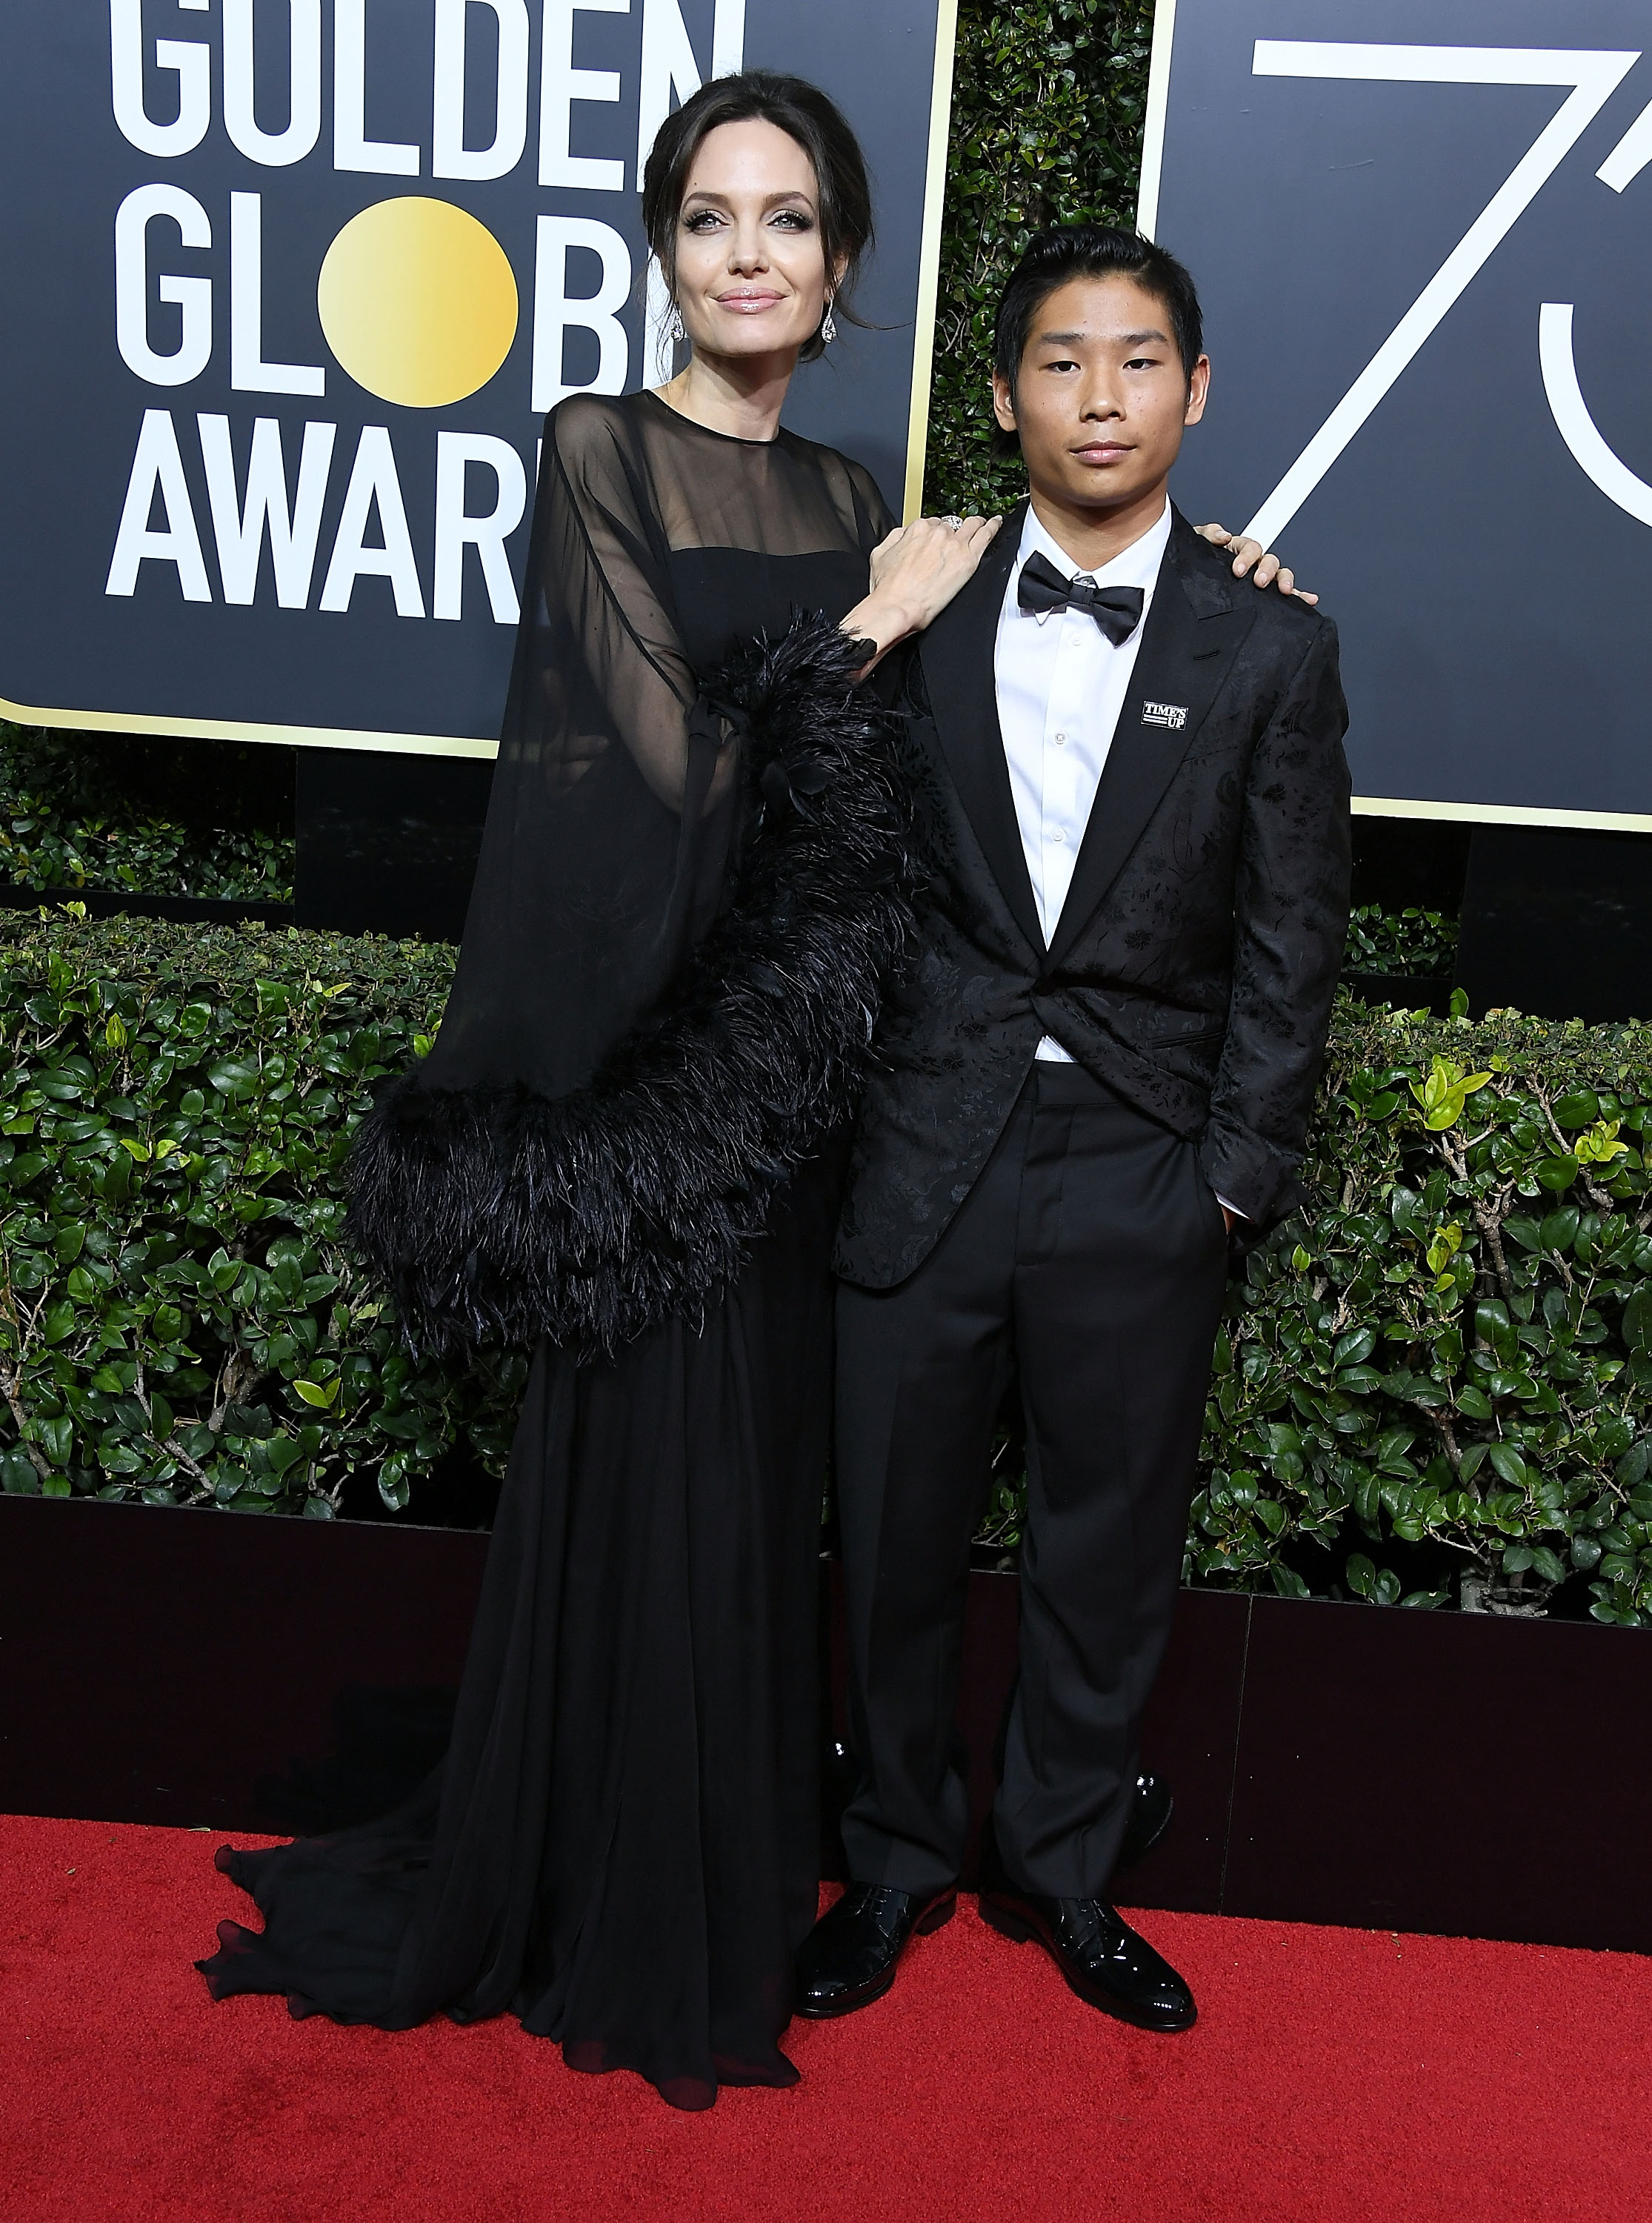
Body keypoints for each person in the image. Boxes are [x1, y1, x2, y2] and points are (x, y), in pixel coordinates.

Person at [196, 70, 1002, 2115]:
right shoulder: (600, 451)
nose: (750, 252)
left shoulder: (841, 498)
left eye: (789, 220)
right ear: (664, 251)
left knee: (753, 1491)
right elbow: (648, 773)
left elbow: (893, 805)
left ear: (839, 269)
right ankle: (576, 1884)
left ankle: (714, 1878)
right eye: (713, 217)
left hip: (792, 1096)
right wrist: (868, 637)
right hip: (649, 1093)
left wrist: (1212, 572)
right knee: (643, 1467)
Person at [799, 224, 1352, 2034]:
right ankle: (886, 1859)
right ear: (1002, 395)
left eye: (1135, 361)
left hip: (1139, 1166)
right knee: (885, 1535)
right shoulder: (919, 594)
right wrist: (858, 631)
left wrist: (1228, 1188)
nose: (1097, 395)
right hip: (920, 1141)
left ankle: (1061, 1869)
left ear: (1192, 391)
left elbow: (1292, 940)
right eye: (1058, 359)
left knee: (1106, 1548)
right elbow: (788, 849)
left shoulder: (1267, 647)